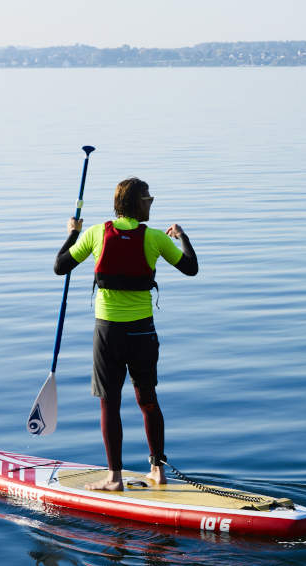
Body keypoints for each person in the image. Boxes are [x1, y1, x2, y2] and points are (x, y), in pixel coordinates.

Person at [54, 177, 198, 491]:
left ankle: (114, 478)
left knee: (110, 404)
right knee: (148, 401)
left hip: (108, 334)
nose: (152, 203)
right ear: (136, 203)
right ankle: (157, 470)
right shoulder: (156, 238)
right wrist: (184, 237)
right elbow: (191, 268)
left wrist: (72, 235)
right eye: (148, 198)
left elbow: (60, 266)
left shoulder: (95, 233)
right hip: (143, 332)